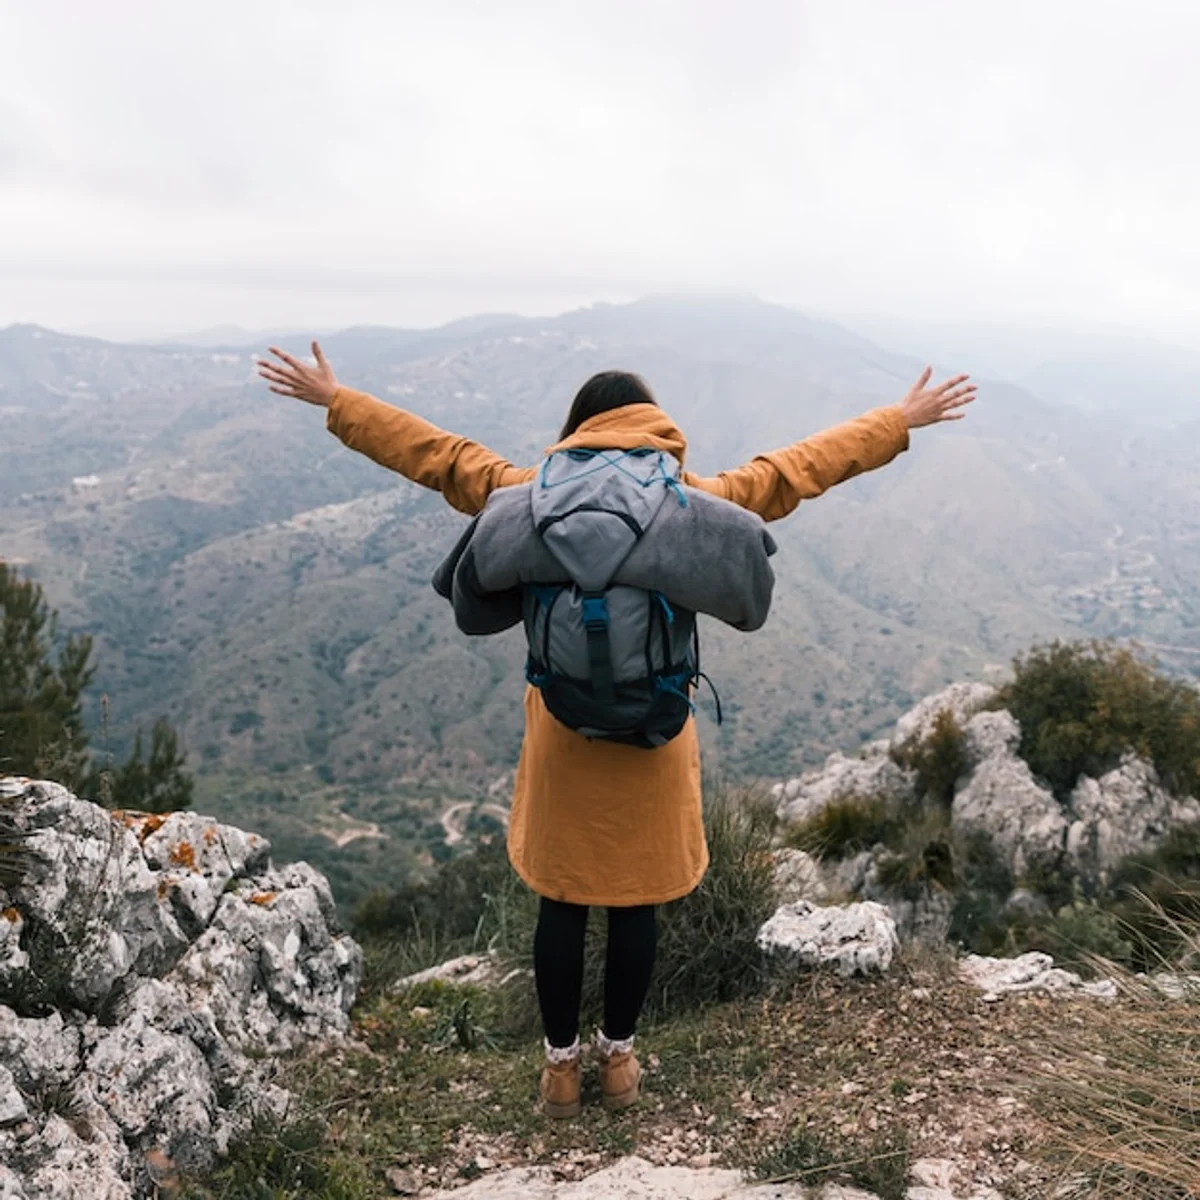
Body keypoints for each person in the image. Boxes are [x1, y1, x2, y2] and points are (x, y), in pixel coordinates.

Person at [258, 343, 975, 1118]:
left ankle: (560, 1075)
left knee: (561, 905)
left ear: (578, 429)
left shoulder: (528, 497)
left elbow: (437, 456)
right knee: (637, 904)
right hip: (654, 738)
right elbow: (792, 470)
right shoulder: (690, 503)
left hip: (564, 740)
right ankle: (621, 1066)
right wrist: (897, 421)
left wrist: (338, 401)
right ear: (650, 428)